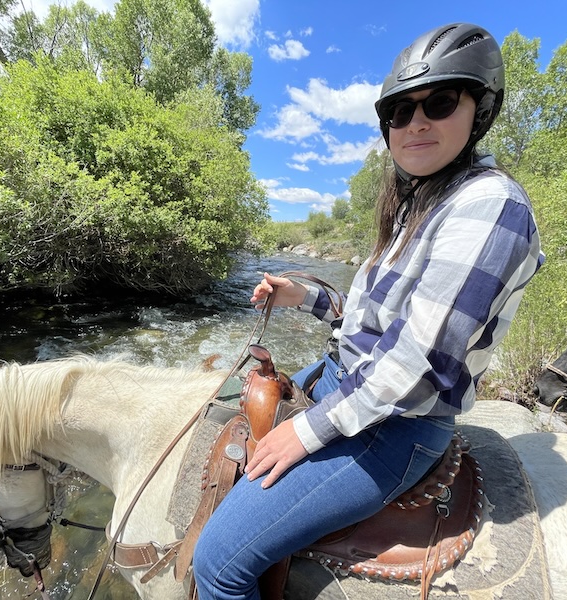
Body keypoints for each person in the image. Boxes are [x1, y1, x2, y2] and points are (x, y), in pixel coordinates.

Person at [193, 22, 544, 600]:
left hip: (395, 429)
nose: (417, 122)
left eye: (439, 102)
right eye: (401, 113)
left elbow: (418, 363)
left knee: (218, 565)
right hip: (344, 382)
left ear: (478, 110)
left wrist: (305, 432)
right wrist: (303, 297)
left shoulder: (489, 206)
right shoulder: (417, 204)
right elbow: (369, 322)